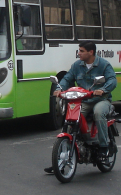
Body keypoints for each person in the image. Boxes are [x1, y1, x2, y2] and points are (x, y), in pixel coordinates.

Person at [44, 41, 117, 174]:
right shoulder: (77, 65)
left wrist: (103, 89)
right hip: (83, 100)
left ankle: (103, 146)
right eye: (79, 51)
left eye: (82, 51)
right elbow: (67, 78)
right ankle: (59, 161)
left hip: (101, 99)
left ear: (91, 52)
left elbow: (112, 80)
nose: (79, 53)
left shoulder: (104, 64)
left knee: (98, 113)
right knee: (71, 117)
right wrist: (60, 89)